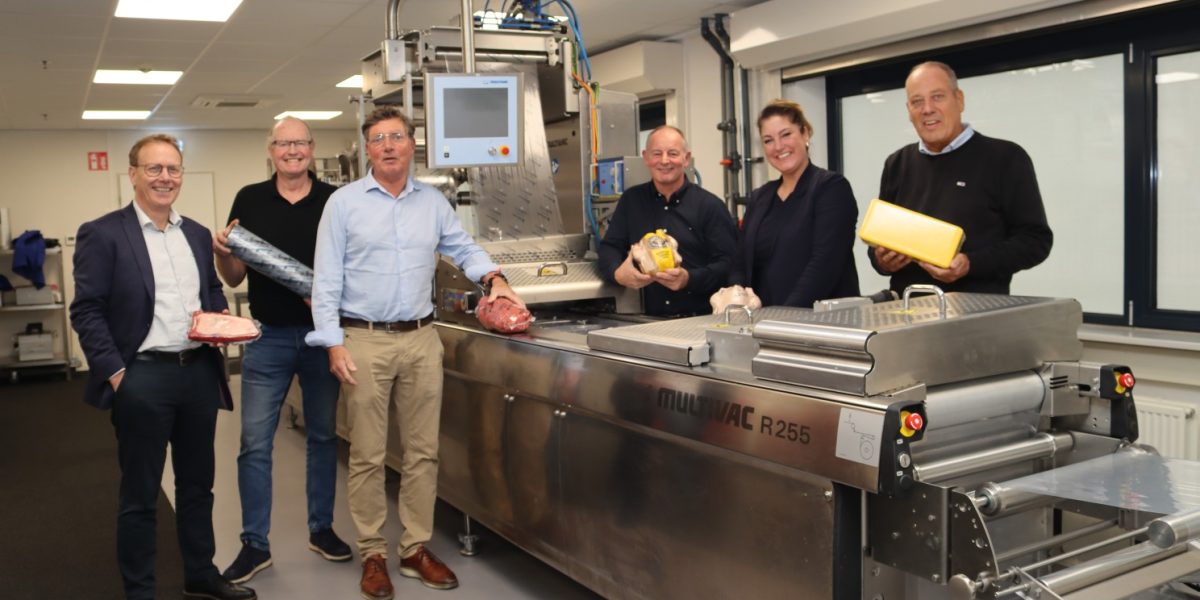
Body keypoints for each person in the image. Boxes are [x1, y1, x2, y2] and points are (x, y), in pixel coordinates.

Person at [305, 105, 525, 600]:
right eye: (378, 139)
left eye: (397, 137)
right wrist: (332, 342)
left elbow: (463, 248)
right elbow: (326, 280)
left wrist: (495, 279)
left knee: (423, 452)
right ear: (368, 149)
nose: (388, 146)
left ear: (411, 145)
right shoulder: (343, 204)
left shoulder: (432, 202)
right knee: (367, 454)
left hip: (423, 338)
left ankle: (413, 548)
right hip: (364, 339)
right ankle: (373, 553)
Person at [70, 134, 256, 600]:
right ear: (132, 174)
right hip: (141, 376)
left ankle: (200, 573)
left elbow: (210, 291)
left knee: (197, 486)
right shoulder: (103, 233)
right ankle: (140, 589)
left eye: (173, 169)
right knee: (140, 494)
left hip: (197, 373)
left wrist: (223, 321)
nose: (164, 177)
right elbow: (86, 311)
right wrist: (118, 375)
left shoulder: (195, 233)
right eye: (154, 168)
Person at [212, 117, 352, 583]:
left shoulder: (335, 200)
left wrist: (328, 296)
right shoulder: (249, 199)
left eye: (300, 142)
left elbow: (353, 263)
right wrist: (222, 252)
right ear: (270, 150)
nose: (292, 150)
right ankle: (254, 544)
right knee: (254, 443)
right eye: (283, 143)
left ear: (311, 147)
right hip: (267, 337)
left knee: (323, 437)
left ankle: (321, 529)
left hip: (322, 337)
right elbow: (235, 275)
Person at [868, 61, 1053, 294]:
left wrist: (971, 264)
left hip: (978, 313)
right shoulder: (896, 163)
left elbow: (1035, 241)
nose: (927, 109)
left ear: (959, 100)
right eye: (917, 101)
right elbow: (879, 238)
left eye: (937, 97)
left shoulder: (1005, 158)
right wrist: (881, 261)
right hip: (907, 309)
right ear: (909, 111)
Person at [730, 99, 860, 307]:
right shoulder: (759, 198)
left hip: (822, 320)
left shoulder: (831, 188)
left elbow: (825, 265)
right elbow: (740, 262)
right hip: (764, 320)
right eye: (768, 140)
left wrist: (785, 316)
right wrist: (736, 301)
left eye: (786, 134)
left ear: (805, 133)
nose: (778, 146)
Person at [598, 125, 737, 317]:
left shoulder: (710, 206)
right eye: (657, 153)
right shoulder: (631, 201)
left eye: (672, 153)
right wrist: (618, 273)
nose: (664, 161)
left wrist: (689, 279)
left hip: (697, 319)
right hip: (644, 319)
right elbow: (609, 247)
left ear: (686, 158)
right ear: (646, 157)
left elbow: (729, 265)